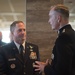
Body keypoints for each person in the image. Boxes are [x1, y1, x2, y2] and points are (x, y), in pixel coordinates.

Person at [33, 4, 75, 75]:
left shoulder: (64, 37)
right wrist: (50, 66)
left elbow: (61, 72)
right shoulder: (71, 33)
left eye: (50, 17)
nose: (49, 21)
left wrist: (45, 68)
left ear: (59, 18)